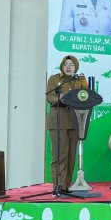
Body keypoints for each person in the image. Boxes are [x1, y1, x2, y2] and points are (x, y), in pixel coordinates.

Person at [45, 55, 88, 194]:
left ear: (76, 67)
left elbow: (85, 95)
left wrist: (82, 86)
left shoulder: (80, 80)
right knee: (59, 155)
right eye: (66, 64)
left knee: (71, 156)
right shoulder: (54, 79)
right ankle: (58, 186)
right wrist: (62, 97)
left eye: (71, 64)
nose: (68, 67)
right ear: (62, 66)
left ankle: (67, 185)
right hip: (58, 120)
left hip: (75, 120)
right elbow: (50, 97)